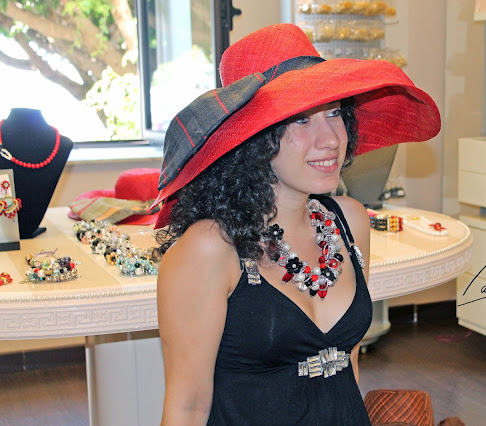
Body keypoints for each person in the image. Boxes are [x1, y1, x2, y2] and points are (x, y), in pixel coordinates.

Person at [153, 23, 440, 425]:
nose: (331, 139)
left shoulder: (349, 220)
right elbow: (187, 408)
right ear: (254, 138)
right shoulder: (210, 247)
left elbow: (349, 365)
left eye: (334, 113)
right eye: (302, 120)